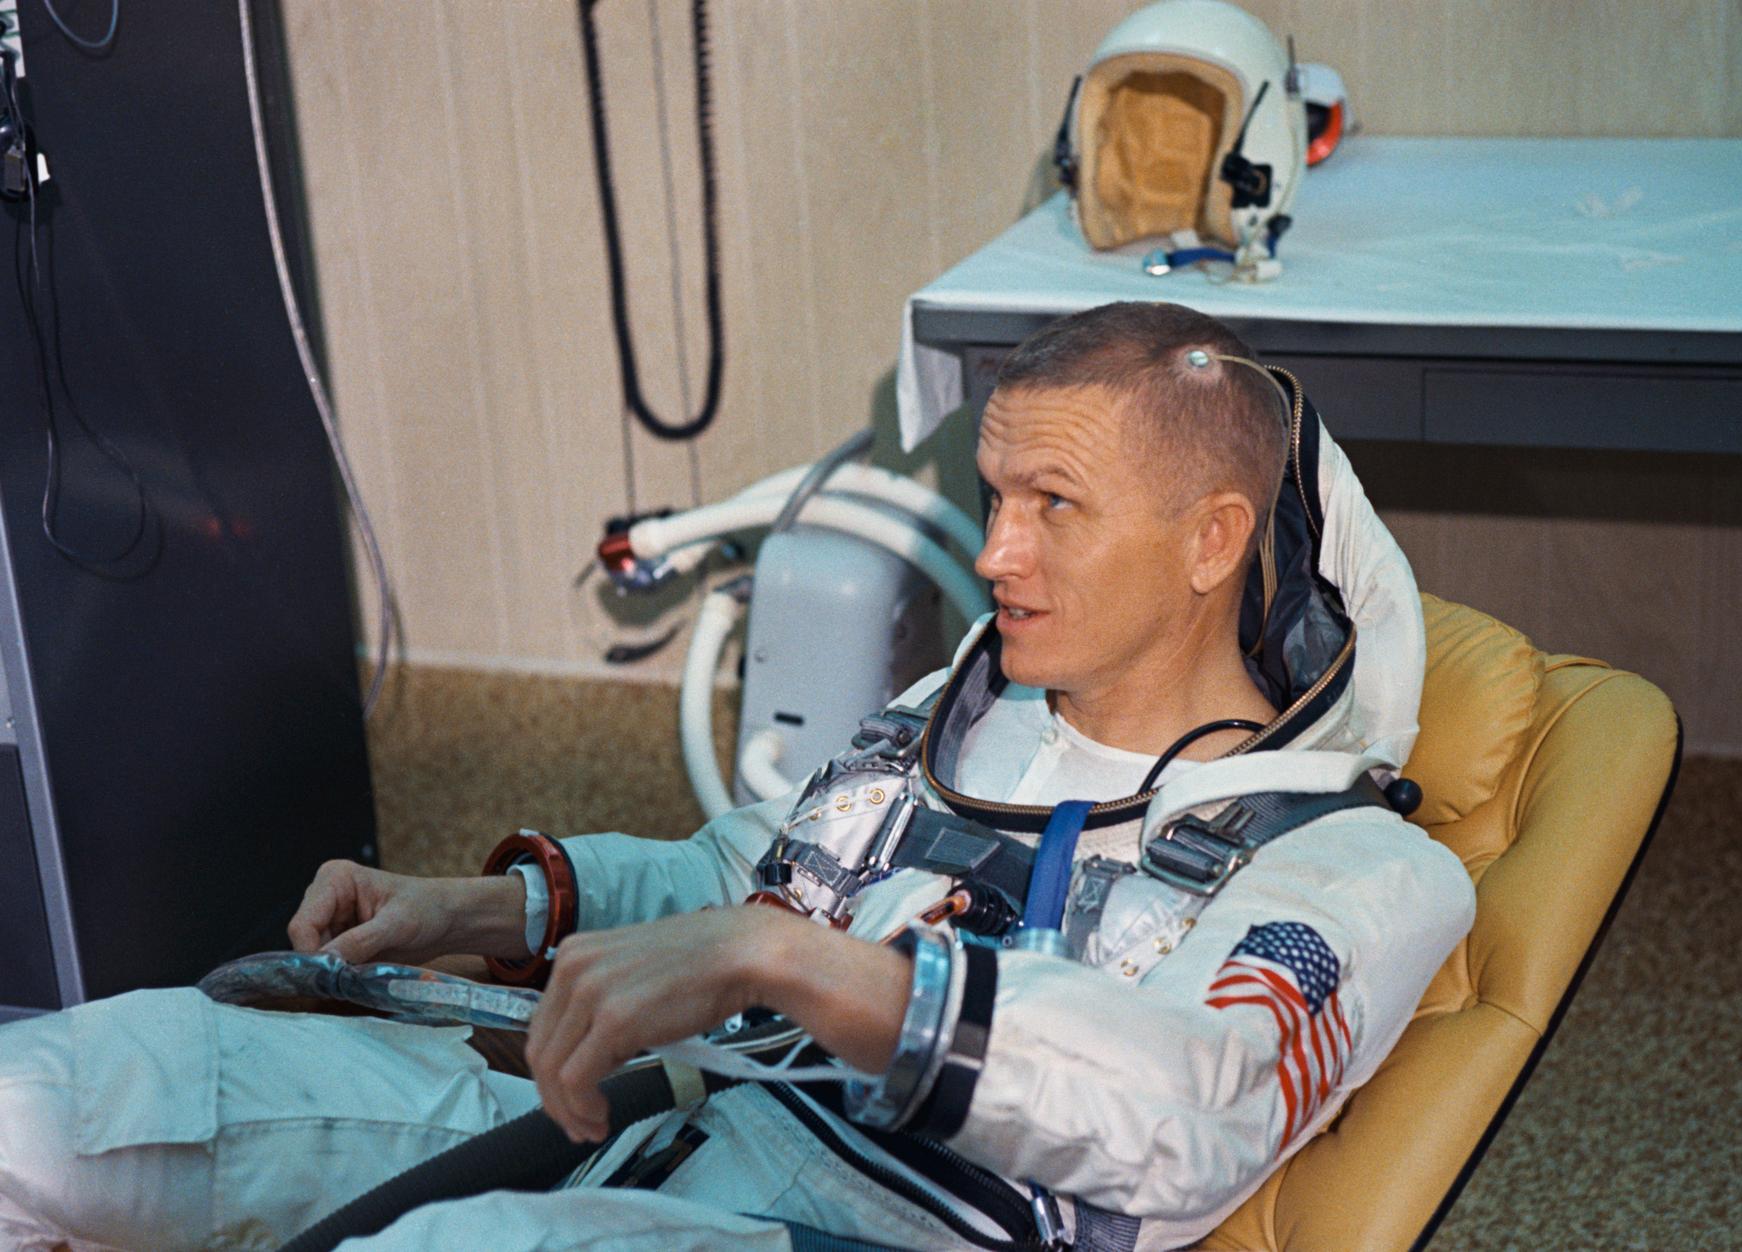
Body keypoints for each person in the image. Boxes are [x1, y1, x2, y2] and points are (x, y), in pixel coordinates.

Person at [0, 301, 1473, 1251]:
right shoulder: (972, 717)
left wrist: (794, 965)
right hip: (654, 1119)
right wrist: (491, 906)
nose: (996, 552)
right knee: (62, 1088)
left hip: (866, 1227)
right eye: (994, 497)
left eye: (1055, 507)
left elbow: (1196, 1112)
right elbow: (747, 881)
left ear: (1215, 539)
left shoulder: (1348, 860)